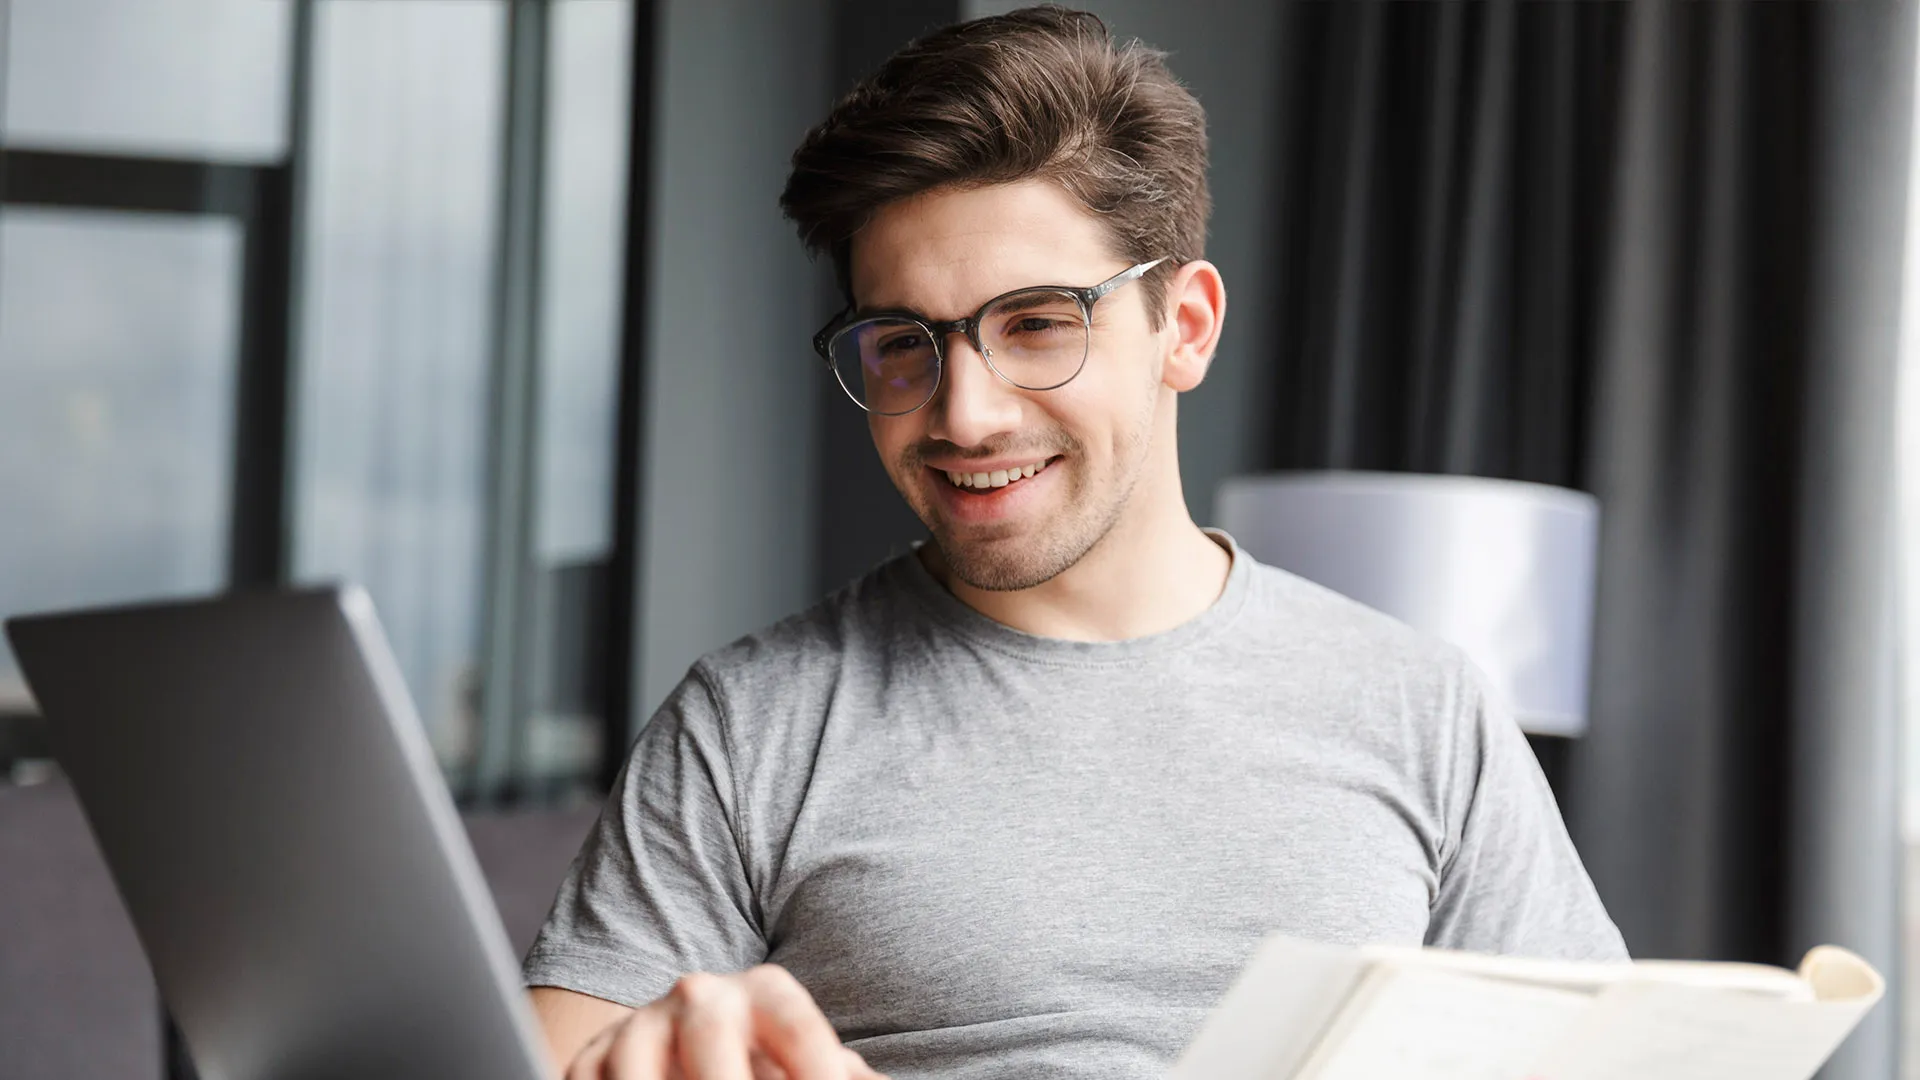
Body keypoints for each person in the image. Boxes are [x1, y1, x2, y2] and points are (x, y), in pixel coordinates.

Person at [524, 7, 1625, 1078]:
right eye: (903, 344)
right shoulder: (752, 725)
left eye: (1038, 323)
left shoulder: (1422, 709)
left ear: (1183, 327)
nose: (966, 414)